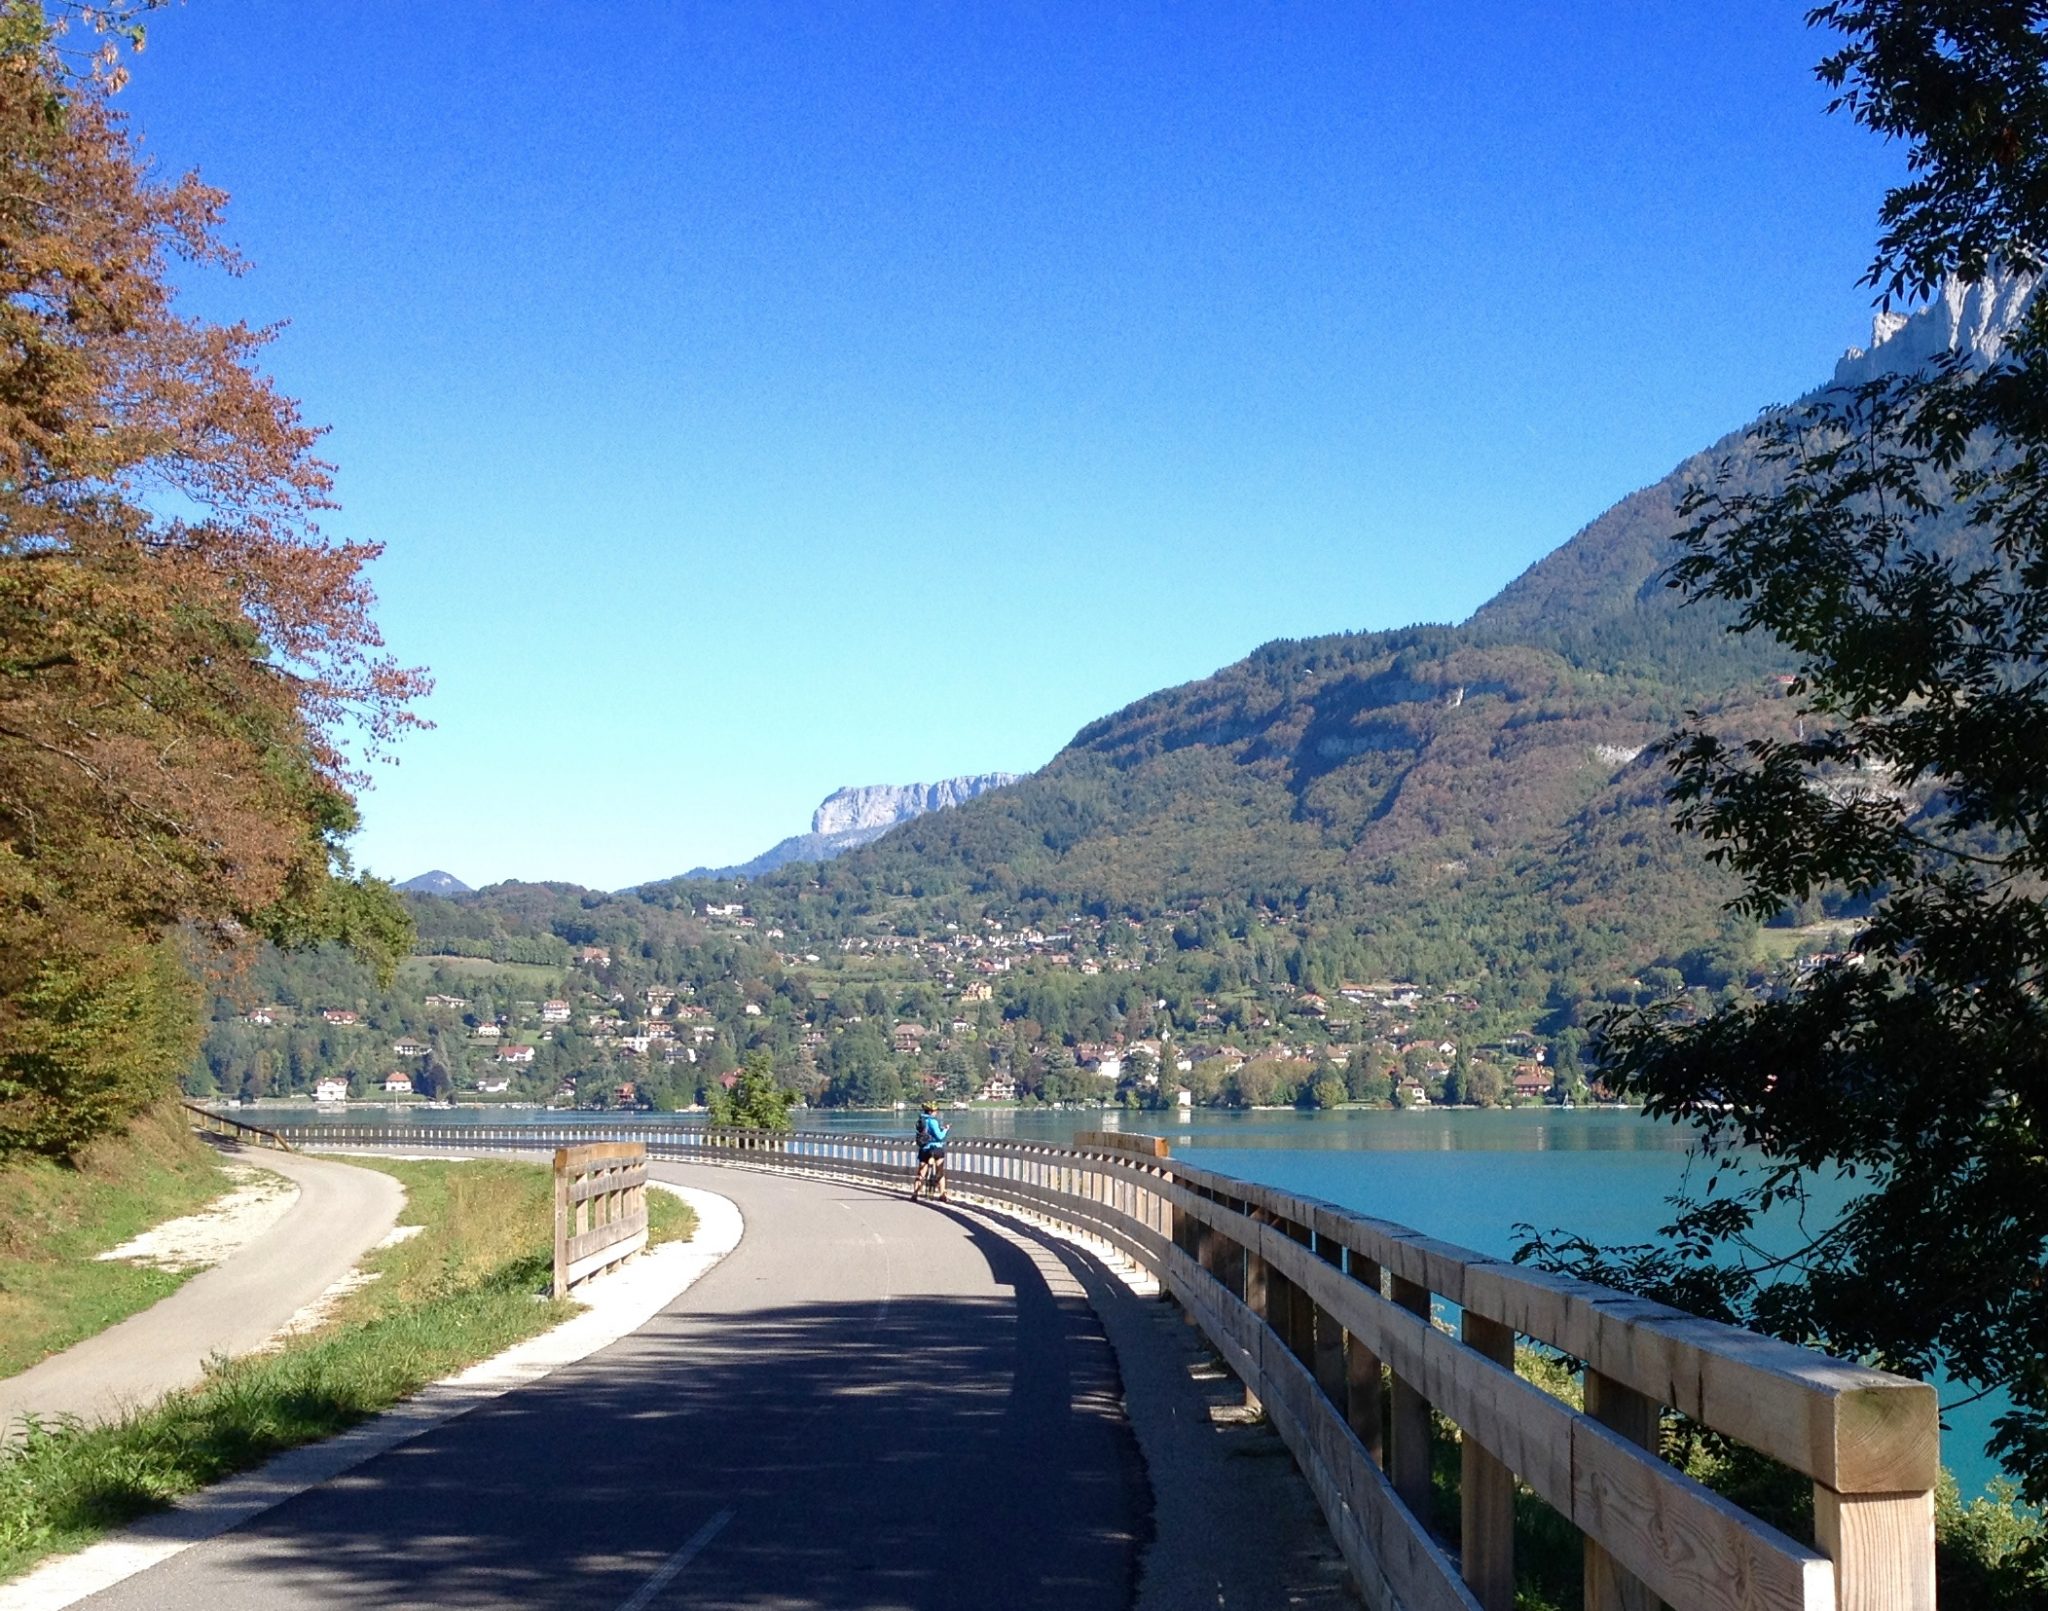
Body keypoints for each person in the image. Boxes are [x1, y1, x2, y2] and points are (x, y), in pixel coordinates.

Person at [911, 1101, 949, 1201]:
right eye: (935, 1111)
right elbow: (940, 1137)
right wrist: (945, 1130)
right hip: (936, 1148)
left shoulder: (921, 1121)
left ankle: (915, 1193)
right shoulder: (933, 1121)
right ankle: (942, 1195)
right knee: (940, 1172)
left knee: (921, 1173)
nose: (936, 1112)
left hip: (924, 1149)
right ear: (931, 1111)